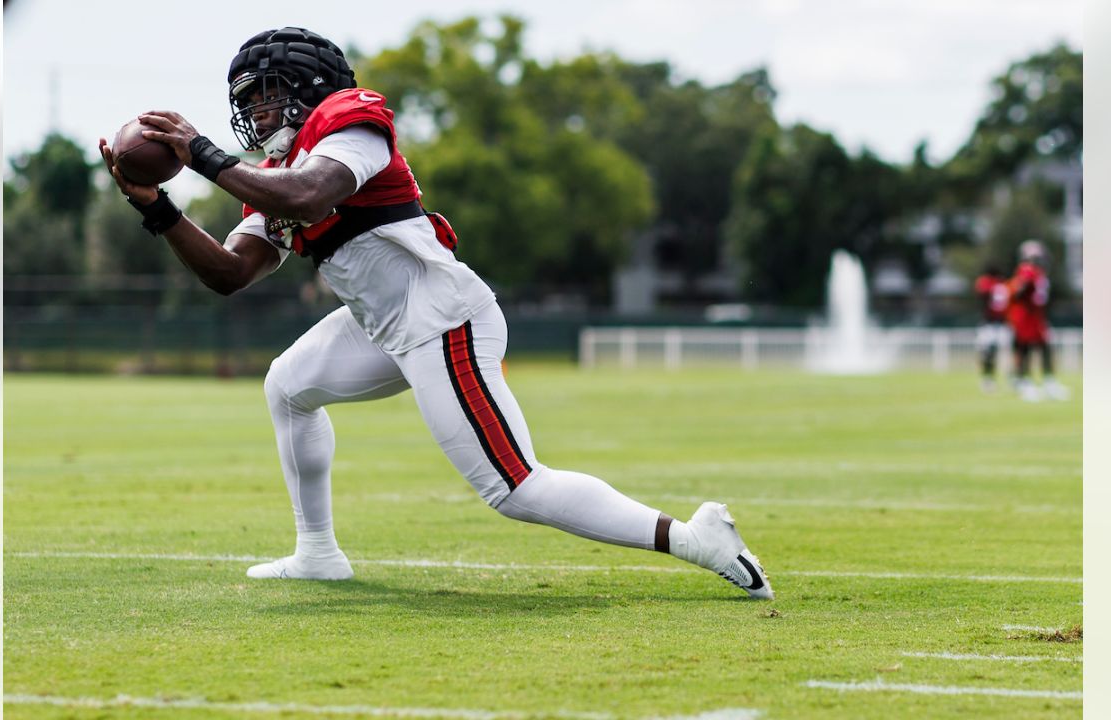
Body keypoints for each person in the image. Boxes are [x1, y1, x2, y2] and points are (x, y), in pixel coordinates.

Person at [98, 27, 772, 599]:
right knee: (288, 386)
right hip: (384, 327)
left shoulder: (349, 120)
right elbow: (228, 272)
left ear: (305, 88)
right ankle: (318, 554)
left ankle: (695, 538)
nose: (255, 113)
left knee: (515, 487)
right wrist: (153, 205)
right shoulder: (270, 177)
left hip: (441, 320)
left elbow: (310, 196)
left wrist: (204, 154)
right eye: (246, 103)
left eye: (263, 96)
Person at [1006, 240, 1069, 401]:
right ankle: (1025, 383)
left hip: (1036, 317)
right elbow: (1019, 292)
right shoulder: (1027, 271)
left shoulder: (1039, 273)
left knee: (1044, 349)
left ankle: (1048, 382)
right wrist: (1024, 287)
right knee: (1026, 350)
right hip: (1026, 317)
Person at [972, 263, 1011, 393]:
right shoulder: (992, 283)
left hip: (1000, 323)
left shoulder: (998, 284)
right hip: (990, 324)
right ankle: (988, 378)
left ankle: (1008, 378)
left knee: (998, 353)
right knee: (988, 353)